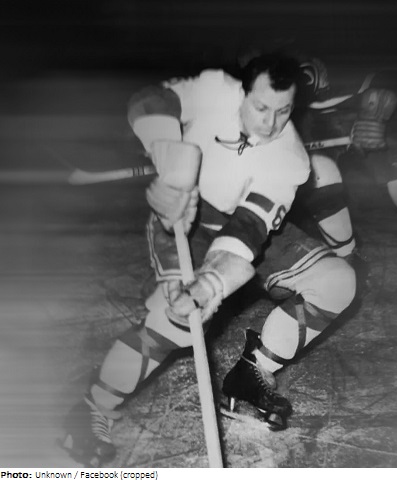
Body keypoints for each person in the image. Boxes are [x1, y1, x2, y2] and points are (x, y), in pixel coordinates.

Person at [61, 53, 357, 467]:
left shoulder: (289, 157)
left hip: (245, 232)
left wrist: (210, 285)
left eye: (283, 111)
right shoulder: (215, 89)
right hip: (191, 219)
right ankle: (94, 406)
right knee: (177, 322)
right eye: (261, 107)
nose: (271, 123)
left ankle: (251, 374)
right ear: (242, 92)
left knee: (337, 282)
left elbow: (248, 231)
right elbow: (150, 100)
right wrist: (167, 155)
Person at [291, 55, 397, 247]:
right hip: (308, 128)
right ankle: (346, 252)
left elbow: (386, 82)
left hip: (358, 119)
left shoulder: (337, 77)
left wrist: (378, 110)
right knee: (320, 177)